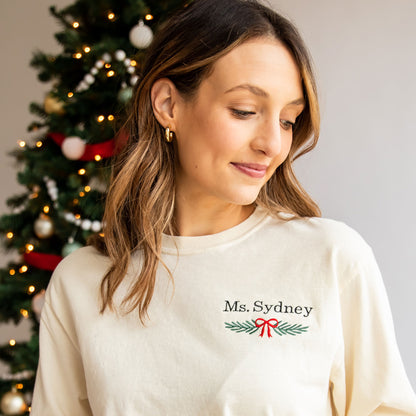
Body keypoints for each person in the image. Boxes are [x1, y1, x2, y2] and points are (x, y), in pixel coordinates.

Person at [31, 0, 416, 414]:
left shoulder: (330, 258)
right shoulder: (82, 282)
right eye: (245, 111)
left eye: (288, 120)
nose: (271, 143)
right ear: (168, 105)